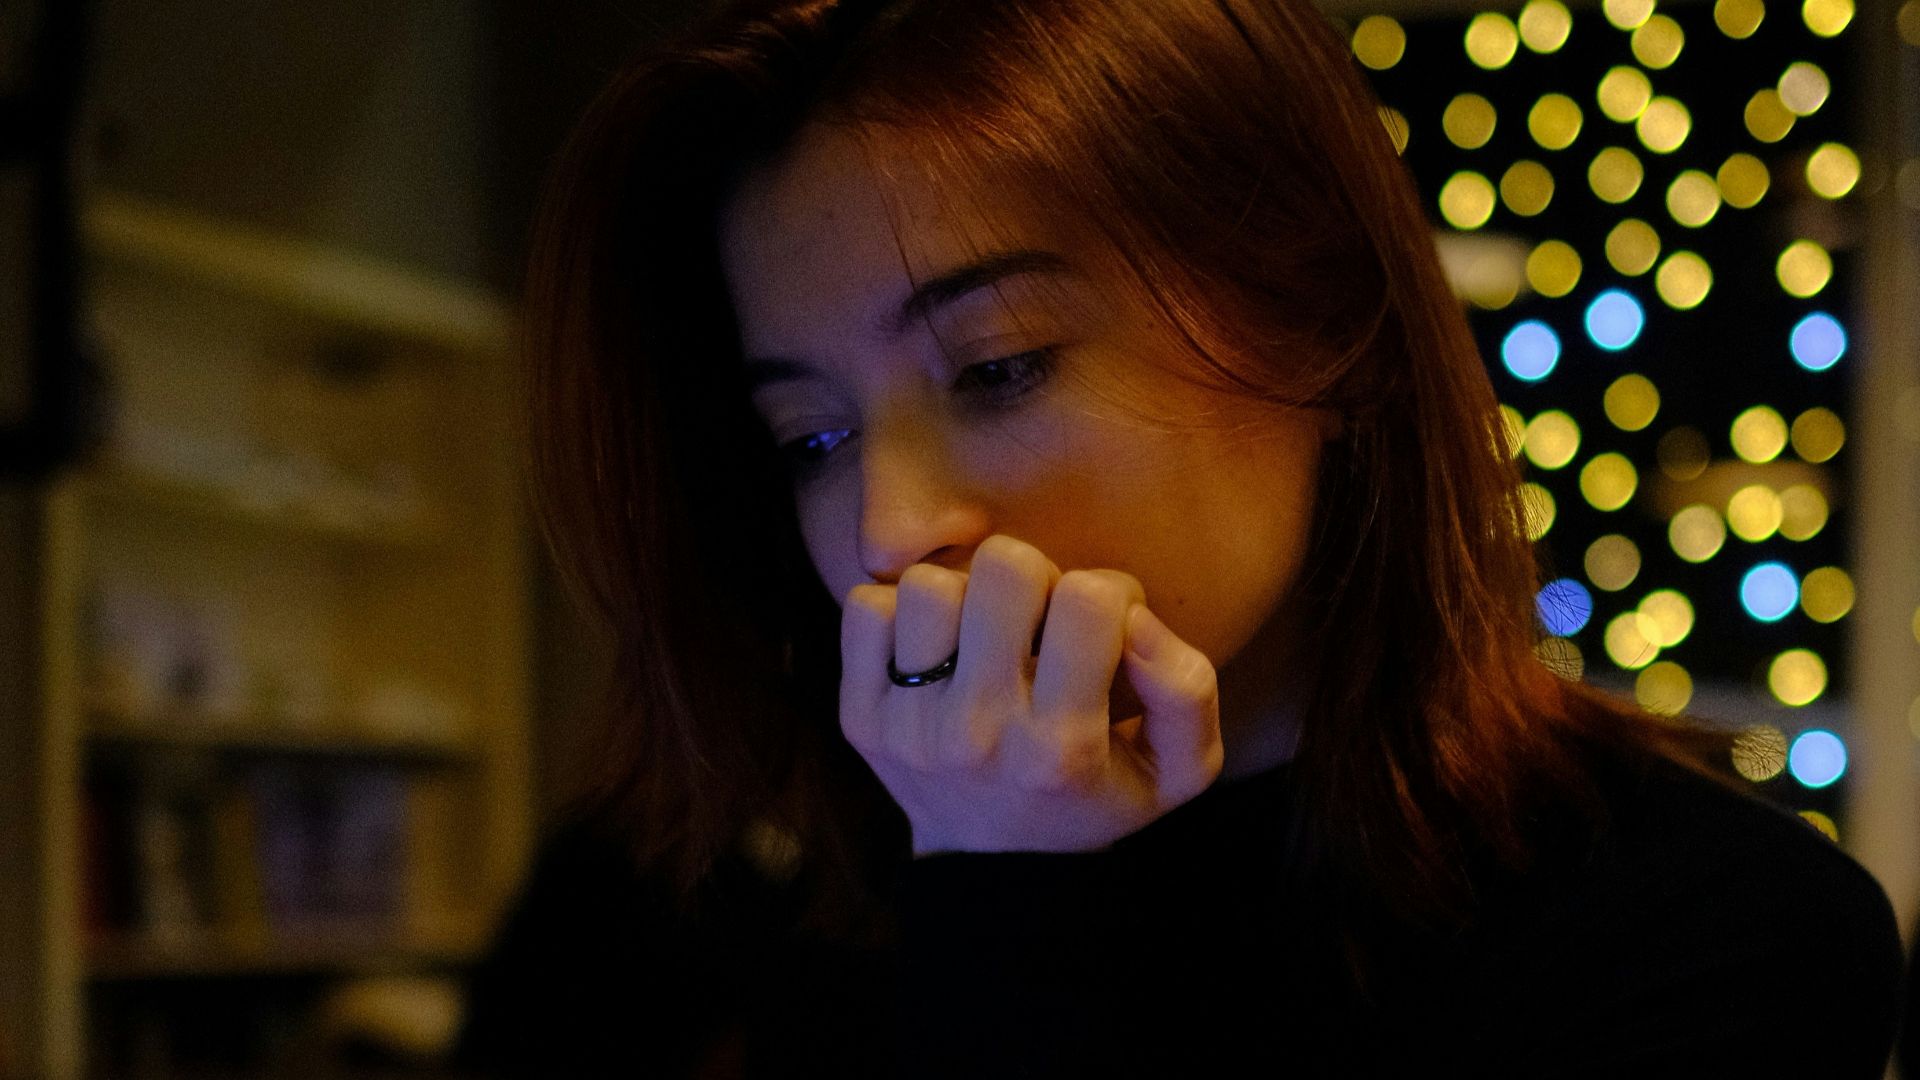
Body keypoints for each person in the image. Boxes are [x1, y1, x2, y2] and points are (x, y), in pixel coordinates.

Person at [452, 0, 1906, 1075]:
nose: (893, 528)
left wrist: (1017, 906)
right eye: (811, 442)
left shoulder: (1702, 933)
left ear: (1328, 333)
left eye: (1001, 365)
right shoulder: (705, 898)